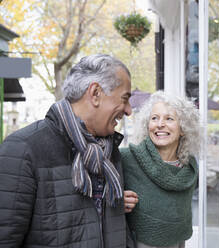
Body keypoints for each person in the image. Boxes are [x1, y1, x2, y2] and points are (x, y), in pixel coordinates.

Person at [0, 54, 137, 248]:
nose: (129, 110)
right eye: (125, 99)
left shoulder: (109, 151)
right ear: (95, 93)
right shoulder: (23, 149)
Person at [121, 91, 200, 248]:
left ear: (183, 128)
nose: (159, 124)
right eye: (154, 118)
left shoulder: (189, 169)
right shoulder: (126, 159)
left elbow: (180, 231)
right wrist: (115, 199)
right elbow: (94, 198)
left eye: (169, 118)